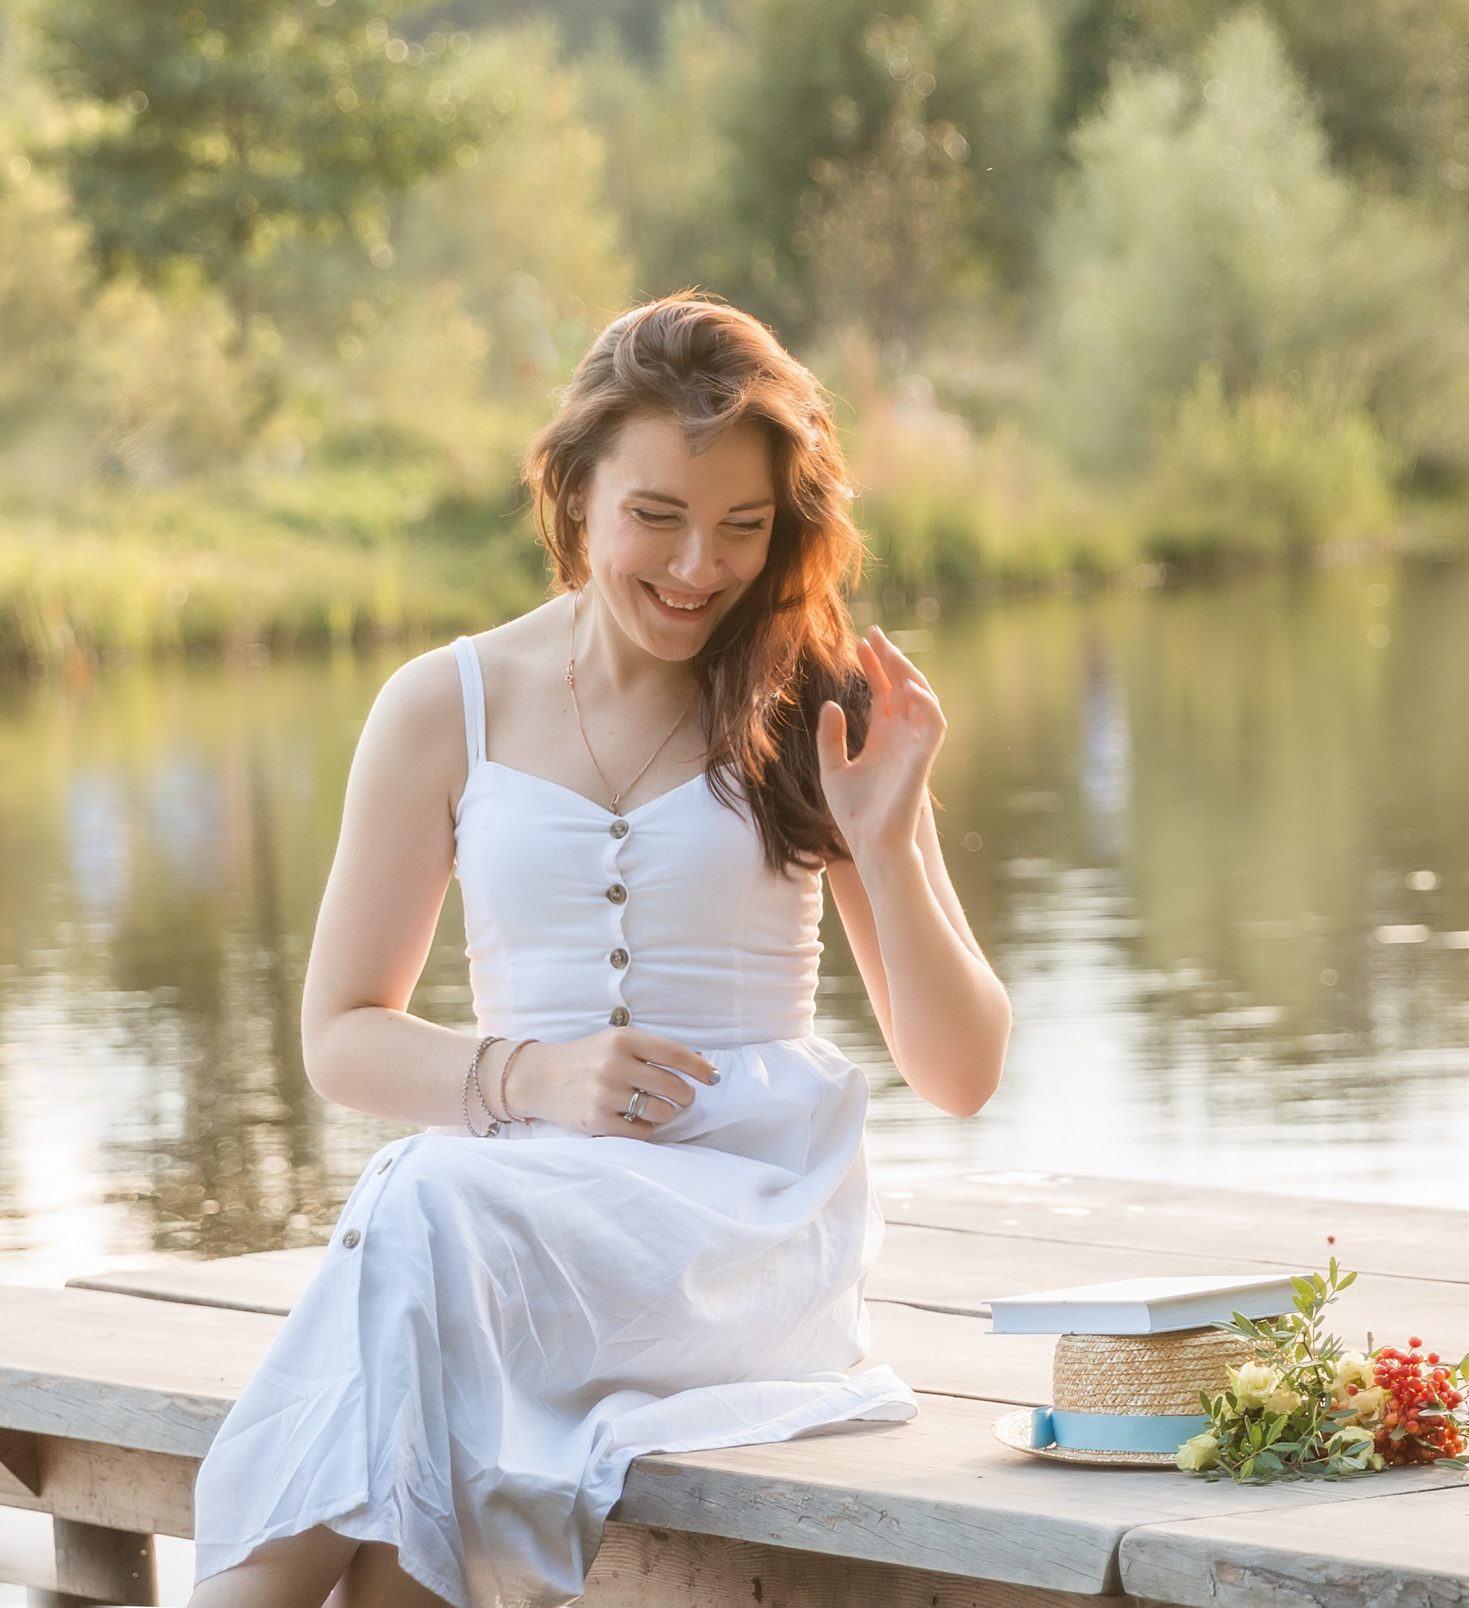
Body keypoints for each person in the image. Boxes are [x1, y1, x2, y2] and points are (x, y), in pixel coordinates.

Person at [188, 295, 1012, 1608]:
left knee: (422, 1215)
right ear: (573, 496)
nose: (699, 567)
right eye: (658, 518)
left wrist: (893, 836)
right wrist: (539, 1077)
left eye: (744, 527)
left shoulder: (815, 703)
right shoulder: (445, 705)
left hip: (745, 1232)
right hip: (517, 1225)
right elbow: (341, 1034)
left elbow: (963, 1075)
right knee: (429, 1283)